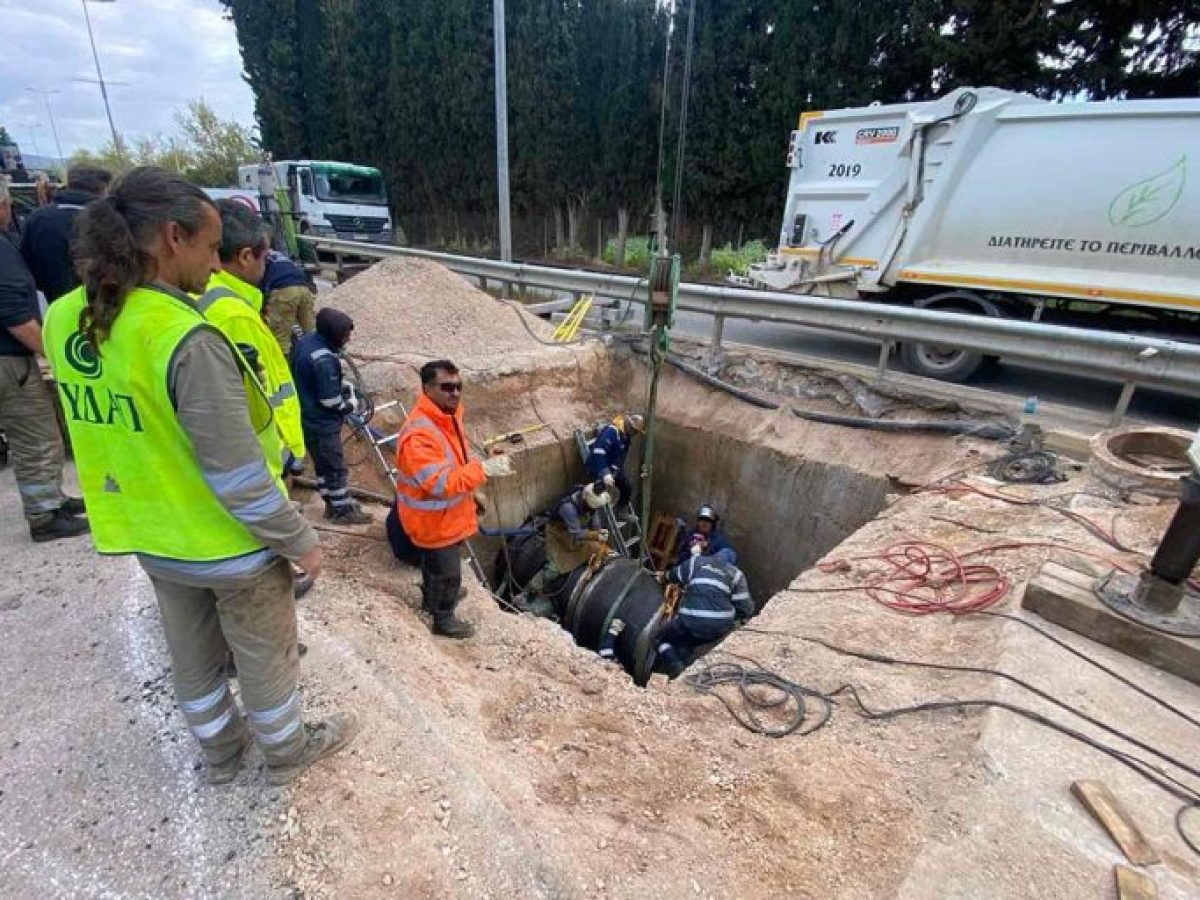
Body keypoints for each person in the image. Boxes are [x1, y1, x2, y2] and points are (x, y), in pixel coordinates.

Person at [43, 166, 355, 785]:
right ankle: (285, 751)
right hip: (226, 541)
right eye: (211, 247)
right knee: (263, 654)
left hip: (148, 532)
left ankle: (220, 754)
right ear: (172, 237)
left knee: (192, 657)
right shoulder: (183, 336)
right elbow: (236, 473)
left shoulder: (63, 319)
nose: (215, 265)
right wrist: (299, 541)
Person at [394, 359, 512, 639]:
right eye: (446, 387)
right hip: (433, 521)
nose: (455, 393)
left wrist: (479, 466)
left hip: (448, 515)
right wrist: (482, 470)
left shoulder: (447, 417)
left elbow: (453, 462)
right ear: (427, 389)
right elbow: (440, 483)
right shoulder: (419, 435)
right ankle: (443, 618)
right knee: (447, 571)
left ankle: (432, 597)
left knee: (436, 566)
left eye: (458, 386)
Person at [0, 176, 88, 542]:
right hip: (10, 361)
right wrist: (55, 355)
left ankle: (53, 498)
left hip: (9, 358)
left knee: (36, 432)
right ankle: (44, 513)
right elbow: (14, 313)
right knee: (34, 433)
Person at [291, 308, 372, 525]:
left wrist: (337, 383)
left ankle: (332, 503)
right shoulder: (324, 360)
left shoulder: (307, 342)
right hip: (322, 422)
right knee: (335, 467)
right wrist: (350, 405)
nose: (348, 339)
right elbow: (330, 402)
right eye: (345, 335)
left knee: (322, 465)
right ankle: (342, 511)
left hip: (306, 416)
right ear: (333, 333)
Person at [515, 480, 612, 618]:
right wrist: (595, 535)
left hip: (577, 531)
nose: (592, 511)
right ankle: (526, 593)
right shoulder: (568, 509)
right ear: (586, 501)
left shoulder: (589, 503)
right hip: (559, 534)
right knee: (554, 568)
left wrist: (599, 531)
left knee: (597, 548)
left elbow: (594, 522)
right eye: (591, 508)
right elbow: (577, 534)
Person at [20, 165, 112, 302]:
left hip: (48, 303)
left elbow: (24, 262)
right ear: (102, 190)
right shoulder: (106, 221)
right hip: (97, 303)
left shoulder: (37, 218)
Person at [655, 553, 754, 679]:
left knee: (659, 637)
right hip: (719, 627)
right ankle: (693, 657)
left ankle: (676, 667)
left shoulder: (696, 563)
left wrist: (663, 576)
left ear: (713, 556)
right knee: (698, 640)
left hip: (689, 621)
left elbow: (673, 575)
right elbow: (745, 609)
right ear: (731, 563)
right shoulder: (736, 574)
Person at [584, 413, 644, 519]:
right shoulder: (612, 431)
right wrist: (605, 473)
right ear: (629, 426)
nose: (635, 434)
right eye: (634, 431)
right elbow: (599, 452)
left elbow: (619, 456)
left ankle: (620, 512)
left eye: (637, 432)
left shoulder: (625, 436)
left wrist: (615, 471)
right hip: (598, 468)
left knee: (627, 487)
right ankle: (592, 518)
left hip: (613, 469)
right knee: (597, 494)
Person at [260, 249, 315, 356]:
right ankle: (315, 358)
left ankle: (286, 362)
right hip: (304, 288)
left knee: (281, 338)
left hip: (284, 290)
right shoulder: (278, 255)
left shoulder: (258, 257)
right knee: (310, 331)